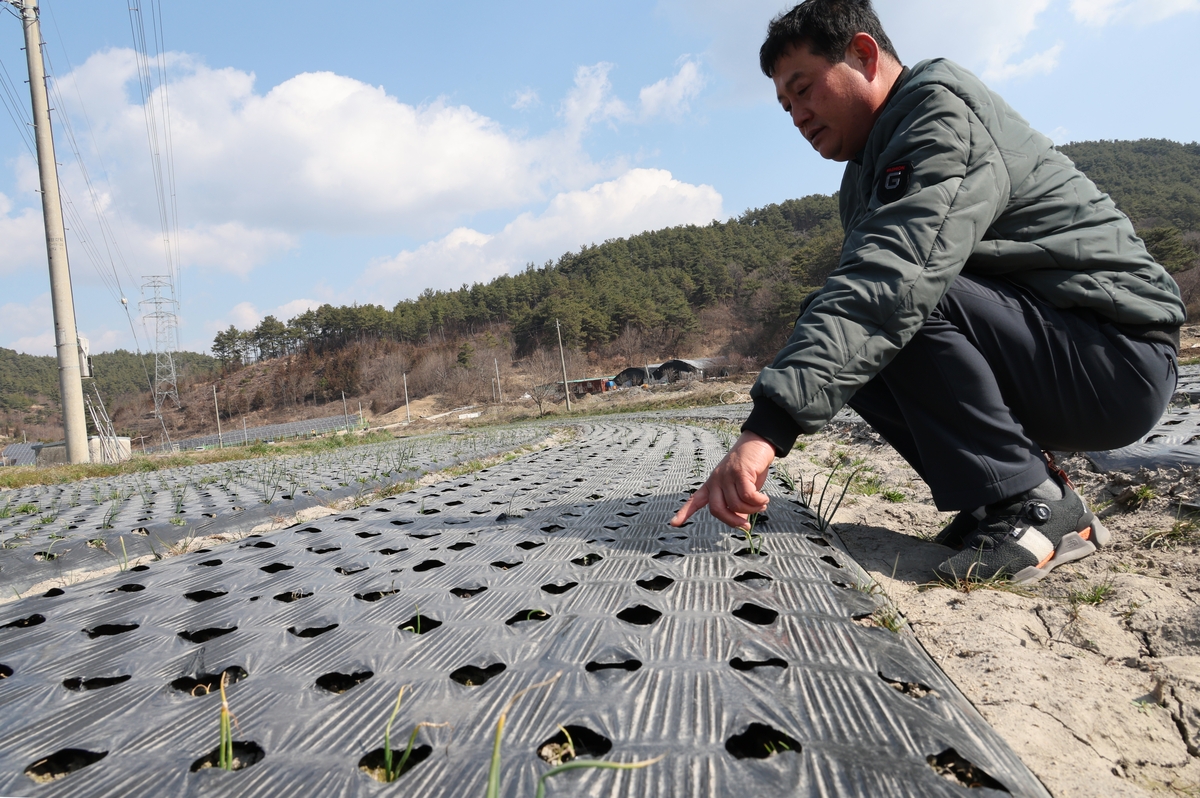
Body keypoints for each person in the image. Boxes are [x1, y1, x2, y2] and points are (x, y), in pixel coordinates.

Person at [670, 0, 1183, 584]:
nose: (798, 115)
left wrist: (765, 432)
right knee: (851, 329)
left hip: (1114, 357)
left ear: (864, 54)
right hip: (1065, 353)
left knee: (898, 301)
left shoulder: (938, 115)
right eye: (786, 106)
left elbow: (892, 281)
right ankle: (1004, 497)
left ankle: (1035, 503)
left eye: (805, 88)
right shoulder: (866, 172)